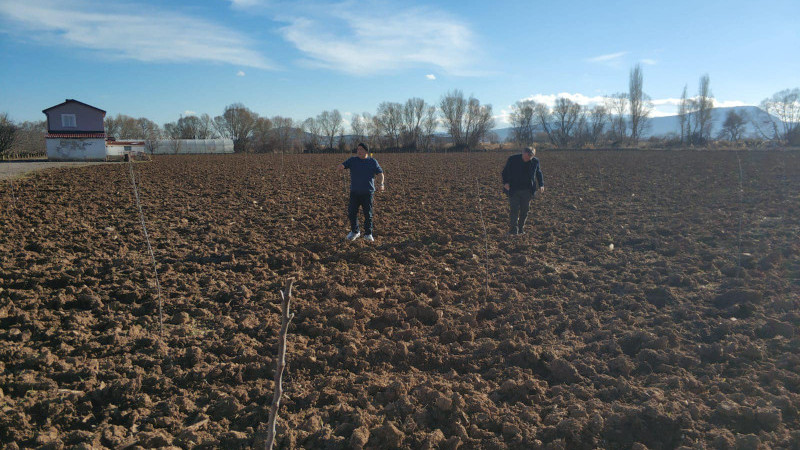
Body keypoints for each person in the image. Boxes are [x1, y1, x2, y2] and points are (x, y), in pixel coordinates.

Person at [337, 143, 385, 242]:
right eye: (358, 149)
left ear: (366, 151)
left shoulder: (372, 162)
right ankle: (355, 232)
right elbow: (343, 165)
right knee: (352, 213)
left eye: (361, 149)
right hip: (354, 192)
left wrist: (381, 184)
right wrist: (340, 167)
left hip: (367, 193)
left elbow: (380, 174)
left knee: (368, 214)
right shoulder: (353, 160)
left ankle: (368, 234)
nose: (359, 151)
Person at [502, 146, 544, 235]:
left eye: (530, 157)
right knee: (514, 210)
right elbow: (504, 172)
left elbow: (538, 173)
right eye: (527, 156)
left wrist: (541, 184)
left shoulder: (535, 161)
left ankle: (521, 229)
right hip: (513, 189)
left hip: (528, 190)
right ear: (523, 153)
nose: (528, 158)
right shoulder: (513, 159)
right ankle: (513, 230)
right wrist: (505, 183)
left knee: (525, 211)